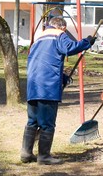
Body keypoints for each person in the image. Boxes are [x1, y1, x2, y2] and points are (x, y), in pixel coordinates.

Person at [22, 16, 95, 164]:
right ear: (62, 27)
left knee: (32, 121)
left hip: (33, 85)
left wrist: (61, 77)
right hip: (48, 87)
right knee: (47, 122)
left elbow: (43, 61)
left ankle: (26, 153)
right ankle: (44, 156)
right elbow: (69, 48)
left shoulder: (39, 38)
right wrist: (86, 42)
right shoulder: (58, 34)